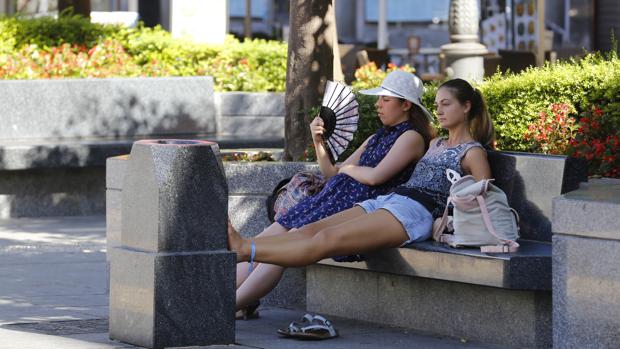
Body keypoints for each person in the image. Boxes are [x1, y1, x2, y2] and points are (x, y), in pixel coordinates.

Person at [227, 77, 495, 270]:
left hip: (416, 213)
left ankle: (245, 250)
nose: (439, 110)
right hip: (389, 201)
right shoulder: (435, 143)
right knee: (310, 229)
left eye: (446, 104)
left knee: (327, 239)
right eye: (437, 104)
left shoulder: (472, 152)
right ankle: (245, 249)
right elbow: (337, 171)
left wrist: (442, 221)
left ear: (466, 106)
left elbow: (482, 202)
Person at [234, 70, 434, 316]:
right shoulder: (376, 137)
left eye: (386, 99)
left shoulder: (411, 137)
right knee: (266, 237)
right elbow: (332, 173)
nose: (378, 104)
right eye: (379, 98)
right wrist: (318, 141)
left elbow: (376, 176)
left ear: (406, 105)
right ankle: (218, 298)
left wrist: (348, 169)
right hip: (330, 198)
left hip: (356, 207)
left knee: (285, 244)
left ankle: (229, 305)